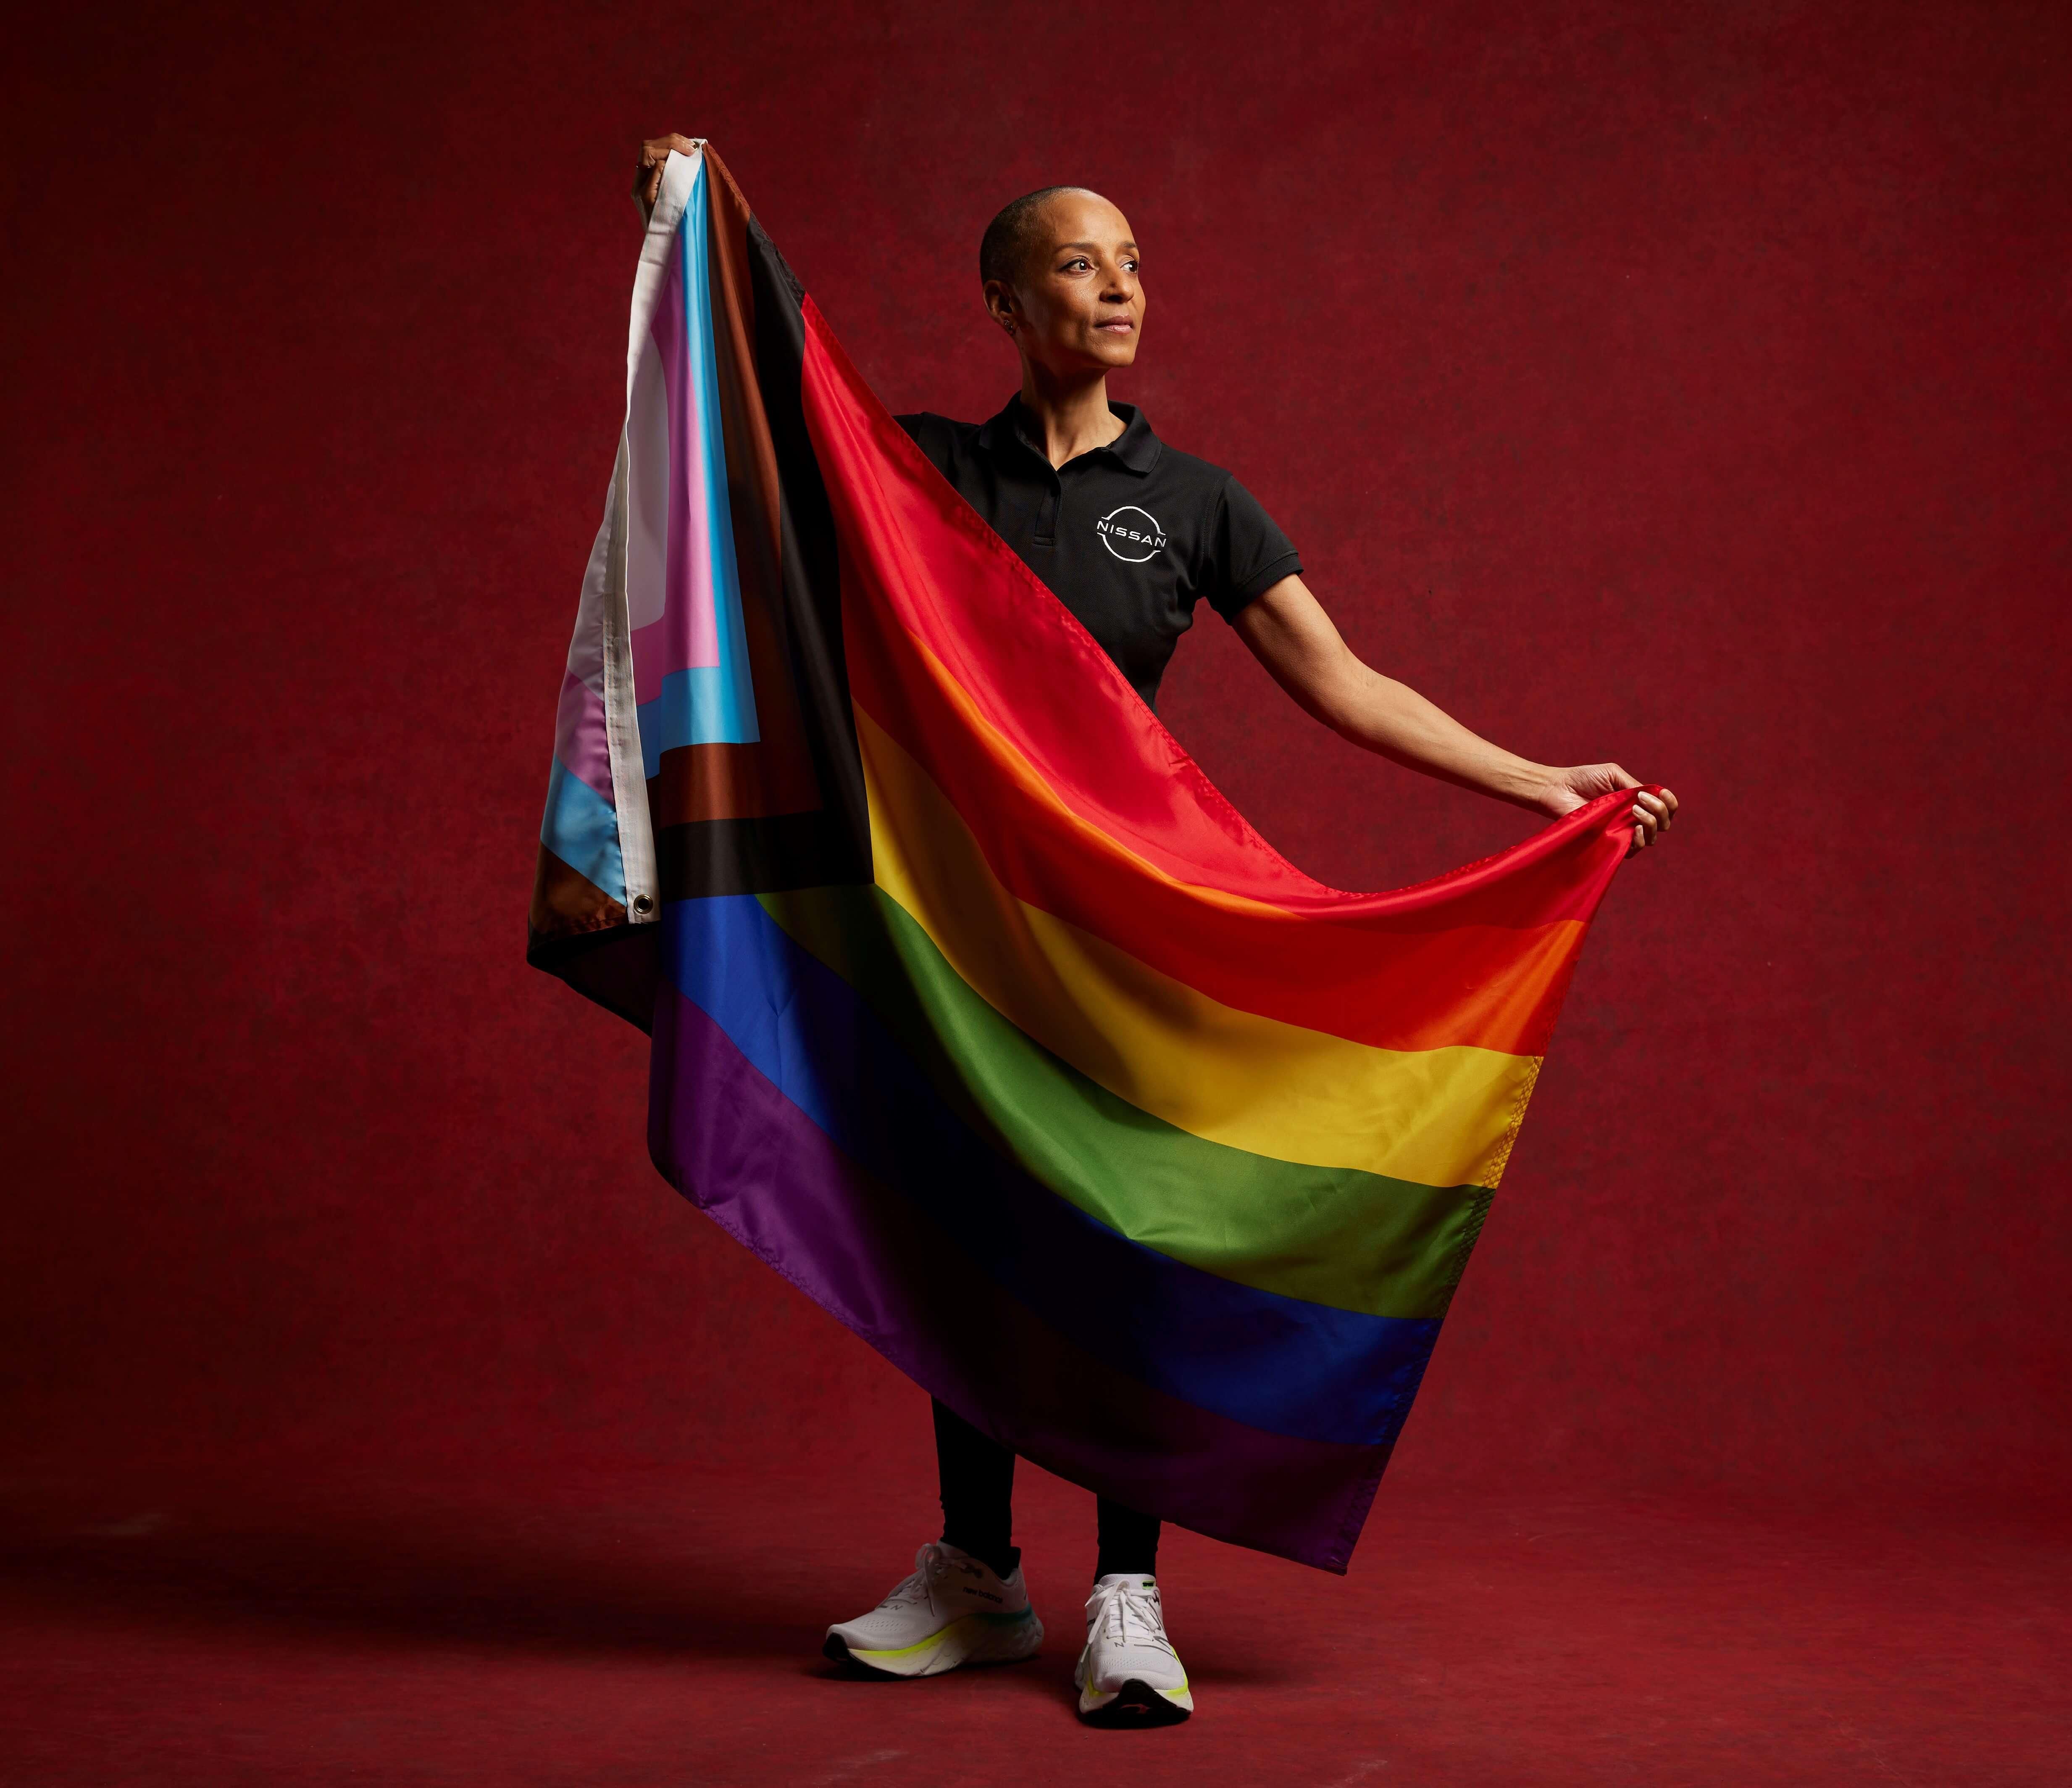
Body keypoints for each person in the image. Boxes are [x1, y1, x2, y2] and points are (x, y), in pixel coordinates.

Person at [633, 136, 1679, 1728]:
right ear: (1004, 299)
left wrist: (1533, 780)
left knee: (1134, 1230)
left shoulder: (1192, 502)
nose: (1119, 284)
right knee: (966, 1219)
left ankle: (1129, 1593)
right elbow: (751, 425)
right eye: (1077, 260)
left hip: (1131, 924)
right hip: (961, 929)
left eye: (1129, 260)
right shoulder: (922, 474)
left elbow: (1344, 682)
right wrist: (687, 216)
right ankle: (976, 1575)